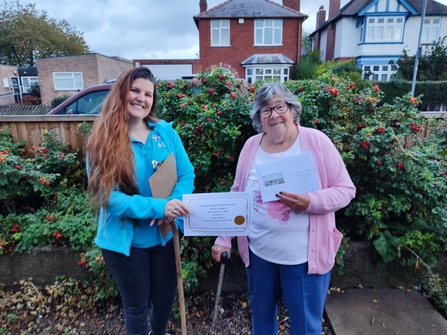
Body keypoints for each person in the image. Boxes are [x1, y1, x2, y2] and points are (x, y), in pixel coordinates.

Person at [211, 82, 356, 335]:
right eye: (266, 110)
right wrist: (225, 237)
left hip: (303, 259)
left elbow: (345, 190)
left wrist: (309, 202)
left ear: (292, 110)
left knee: (305, 327)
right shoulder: (250, 146)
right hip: (259, 257)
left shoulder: (316, 141)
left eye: (280, 106)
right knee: (262, 322)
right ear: (259, 117)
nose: (274, 114)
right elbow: (238, 194)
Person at [86, 67, 194, 335]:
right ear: (122, 92)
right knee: (136, 307)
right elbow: (108, 197)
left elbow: (186, 174)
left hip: (164, 236)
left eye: (148, 93)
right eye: (135, 90)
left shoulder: (166, 133)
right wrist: (159, 207)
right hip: (126, 244)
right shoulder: (102, 140)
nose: (141, 98)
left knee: (165, 299)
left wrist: (174, 205)